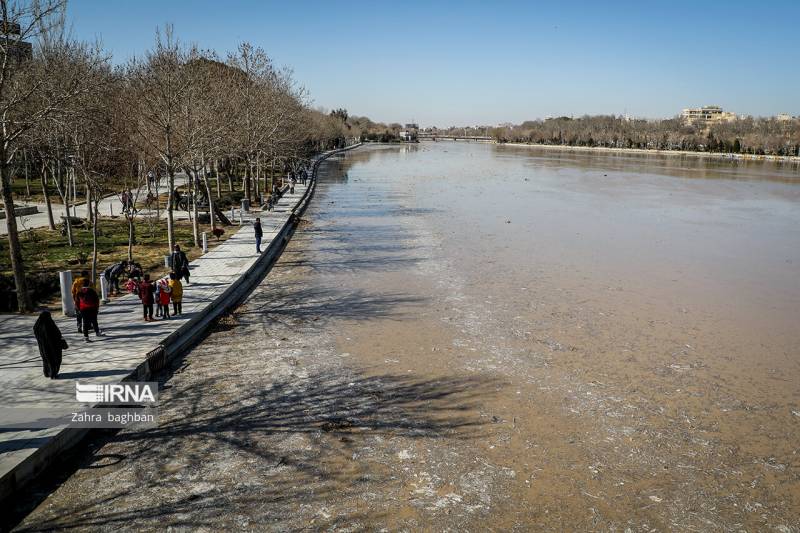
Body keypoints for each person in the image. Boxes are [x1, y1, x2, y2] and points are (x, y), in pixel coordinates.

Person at [33, 310, 67, 379]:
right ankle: (53, 374)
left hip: (43, 347)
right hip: (53, 347)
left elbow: (37, 334)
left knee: (46, 360)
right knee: (54, 360)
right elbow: (57, 334)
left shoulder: (37, 325)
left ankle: (47, 373)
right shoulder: (50, 324)